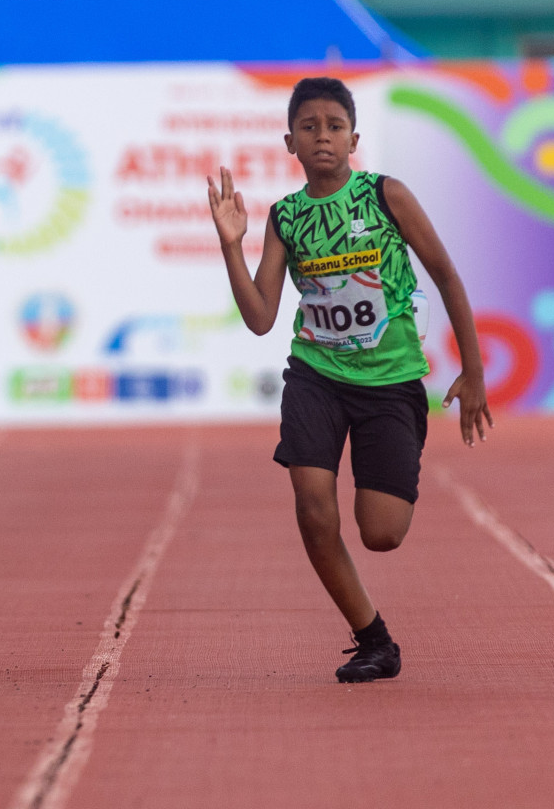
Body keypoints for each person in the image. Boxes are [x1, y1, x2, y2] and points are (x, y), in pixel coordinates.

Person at [208, 76, 492, 683]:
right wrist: (231, 245)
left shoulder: (387, 196)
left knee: (381, 534)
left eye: (334, 127)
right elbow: (261, 318)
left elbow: (444, 273)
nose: (323, 138)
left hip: (390, 382)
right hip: (317, 374)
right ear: (290, 141)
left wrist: (473, 369)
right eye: (309, 128)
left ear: (354, 137)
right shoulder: (286, 218)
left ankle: (377, 598)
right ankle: (373, 638)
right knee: (312, 502)